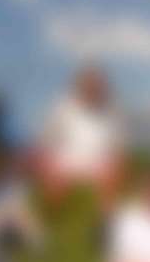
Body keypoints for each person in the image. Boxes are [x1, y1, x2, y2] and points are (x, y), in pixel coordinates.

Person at [35, 67, 124, 205]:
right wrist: (47, 162)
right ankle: (56, 214)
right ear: (79, 87)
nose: (93, 89)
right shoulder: (63, 108)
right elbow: (47, 139)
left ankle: (105, 219)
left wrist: (116, 163)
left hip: (98, 162)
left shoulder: (113, 111)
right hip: (67, 160)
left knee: (113, 174)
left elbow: (117, 145)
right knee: (52, 177)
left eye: (97, 86)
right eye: (89, 85)